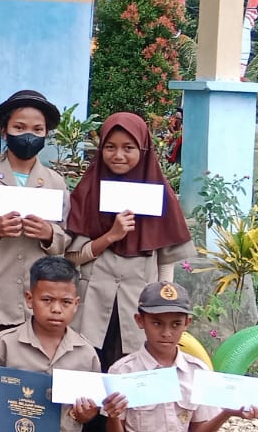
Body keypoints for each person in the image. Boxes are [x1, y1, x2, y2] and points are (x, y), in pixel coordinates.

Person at [66, 113, 194, 369]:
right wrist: (110, 236)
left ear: (143, 149)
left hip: (139, 307)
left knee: (133, 376)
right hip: (91, 308)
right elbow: (71, 257)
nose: (118, 155)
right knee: (87, 372)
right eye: (110, 147)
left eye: (128, 148)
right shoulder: (88, 191)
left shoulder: (160, 194)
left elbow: (165, 261)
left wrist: (163, 305)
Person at [103, 282, 258, 432]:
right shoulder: (122, 371)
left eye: (176, 324)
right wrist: (113, 416)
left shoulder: (197, 371)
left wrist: (227, 413)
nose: (166, 333)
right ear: (140, 320)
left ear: (187, 323)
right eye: (157, 323)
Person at [0, 90, 72, 373]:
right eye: (19, 128)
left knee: (28, 379)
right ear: (4, 131)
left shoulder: (55, 182)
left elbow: (66, 238)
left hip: (36, 297)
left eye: (37, 130)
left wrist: (49, 233)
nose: (28, 136)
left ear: (46, 134)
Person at [0, 256, 103, 432]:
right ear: (29, 299)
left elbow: (91, 412)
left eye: (65, 302)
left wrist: (87, 414)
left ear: (76, 303)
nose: (56, 309)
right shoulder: (6, 344)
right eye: (47, 300)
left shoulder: (86, 354)